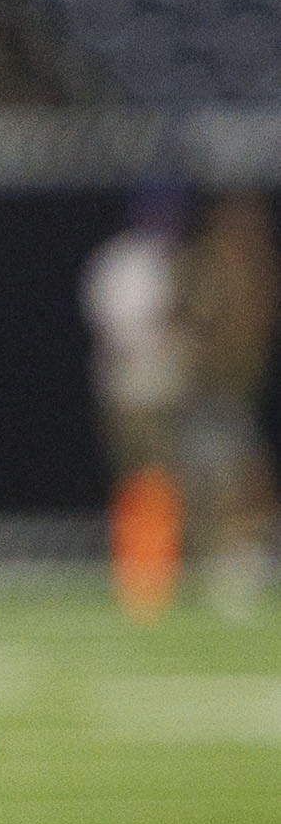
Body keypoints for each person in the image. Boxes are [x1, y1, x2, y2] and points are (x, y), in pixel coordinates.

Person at [90, 186, 196, 619]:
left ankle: (150, 571)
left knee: (153, 482)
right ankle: (144, 573)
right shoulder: (137, 263)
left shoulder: (131, 261)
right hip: (139, 387)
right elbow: (126, 331)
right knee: (146, 481)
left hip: (144, 386)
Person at [179, 190, 277, 621]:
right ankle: (221, 566)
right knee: (221, 479)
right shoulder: (207, 267)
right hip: (216, 392)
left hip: (248, 389)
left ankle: (239, 562)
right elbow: (196, 328)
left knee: (243, 477)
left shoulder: (257, 268)